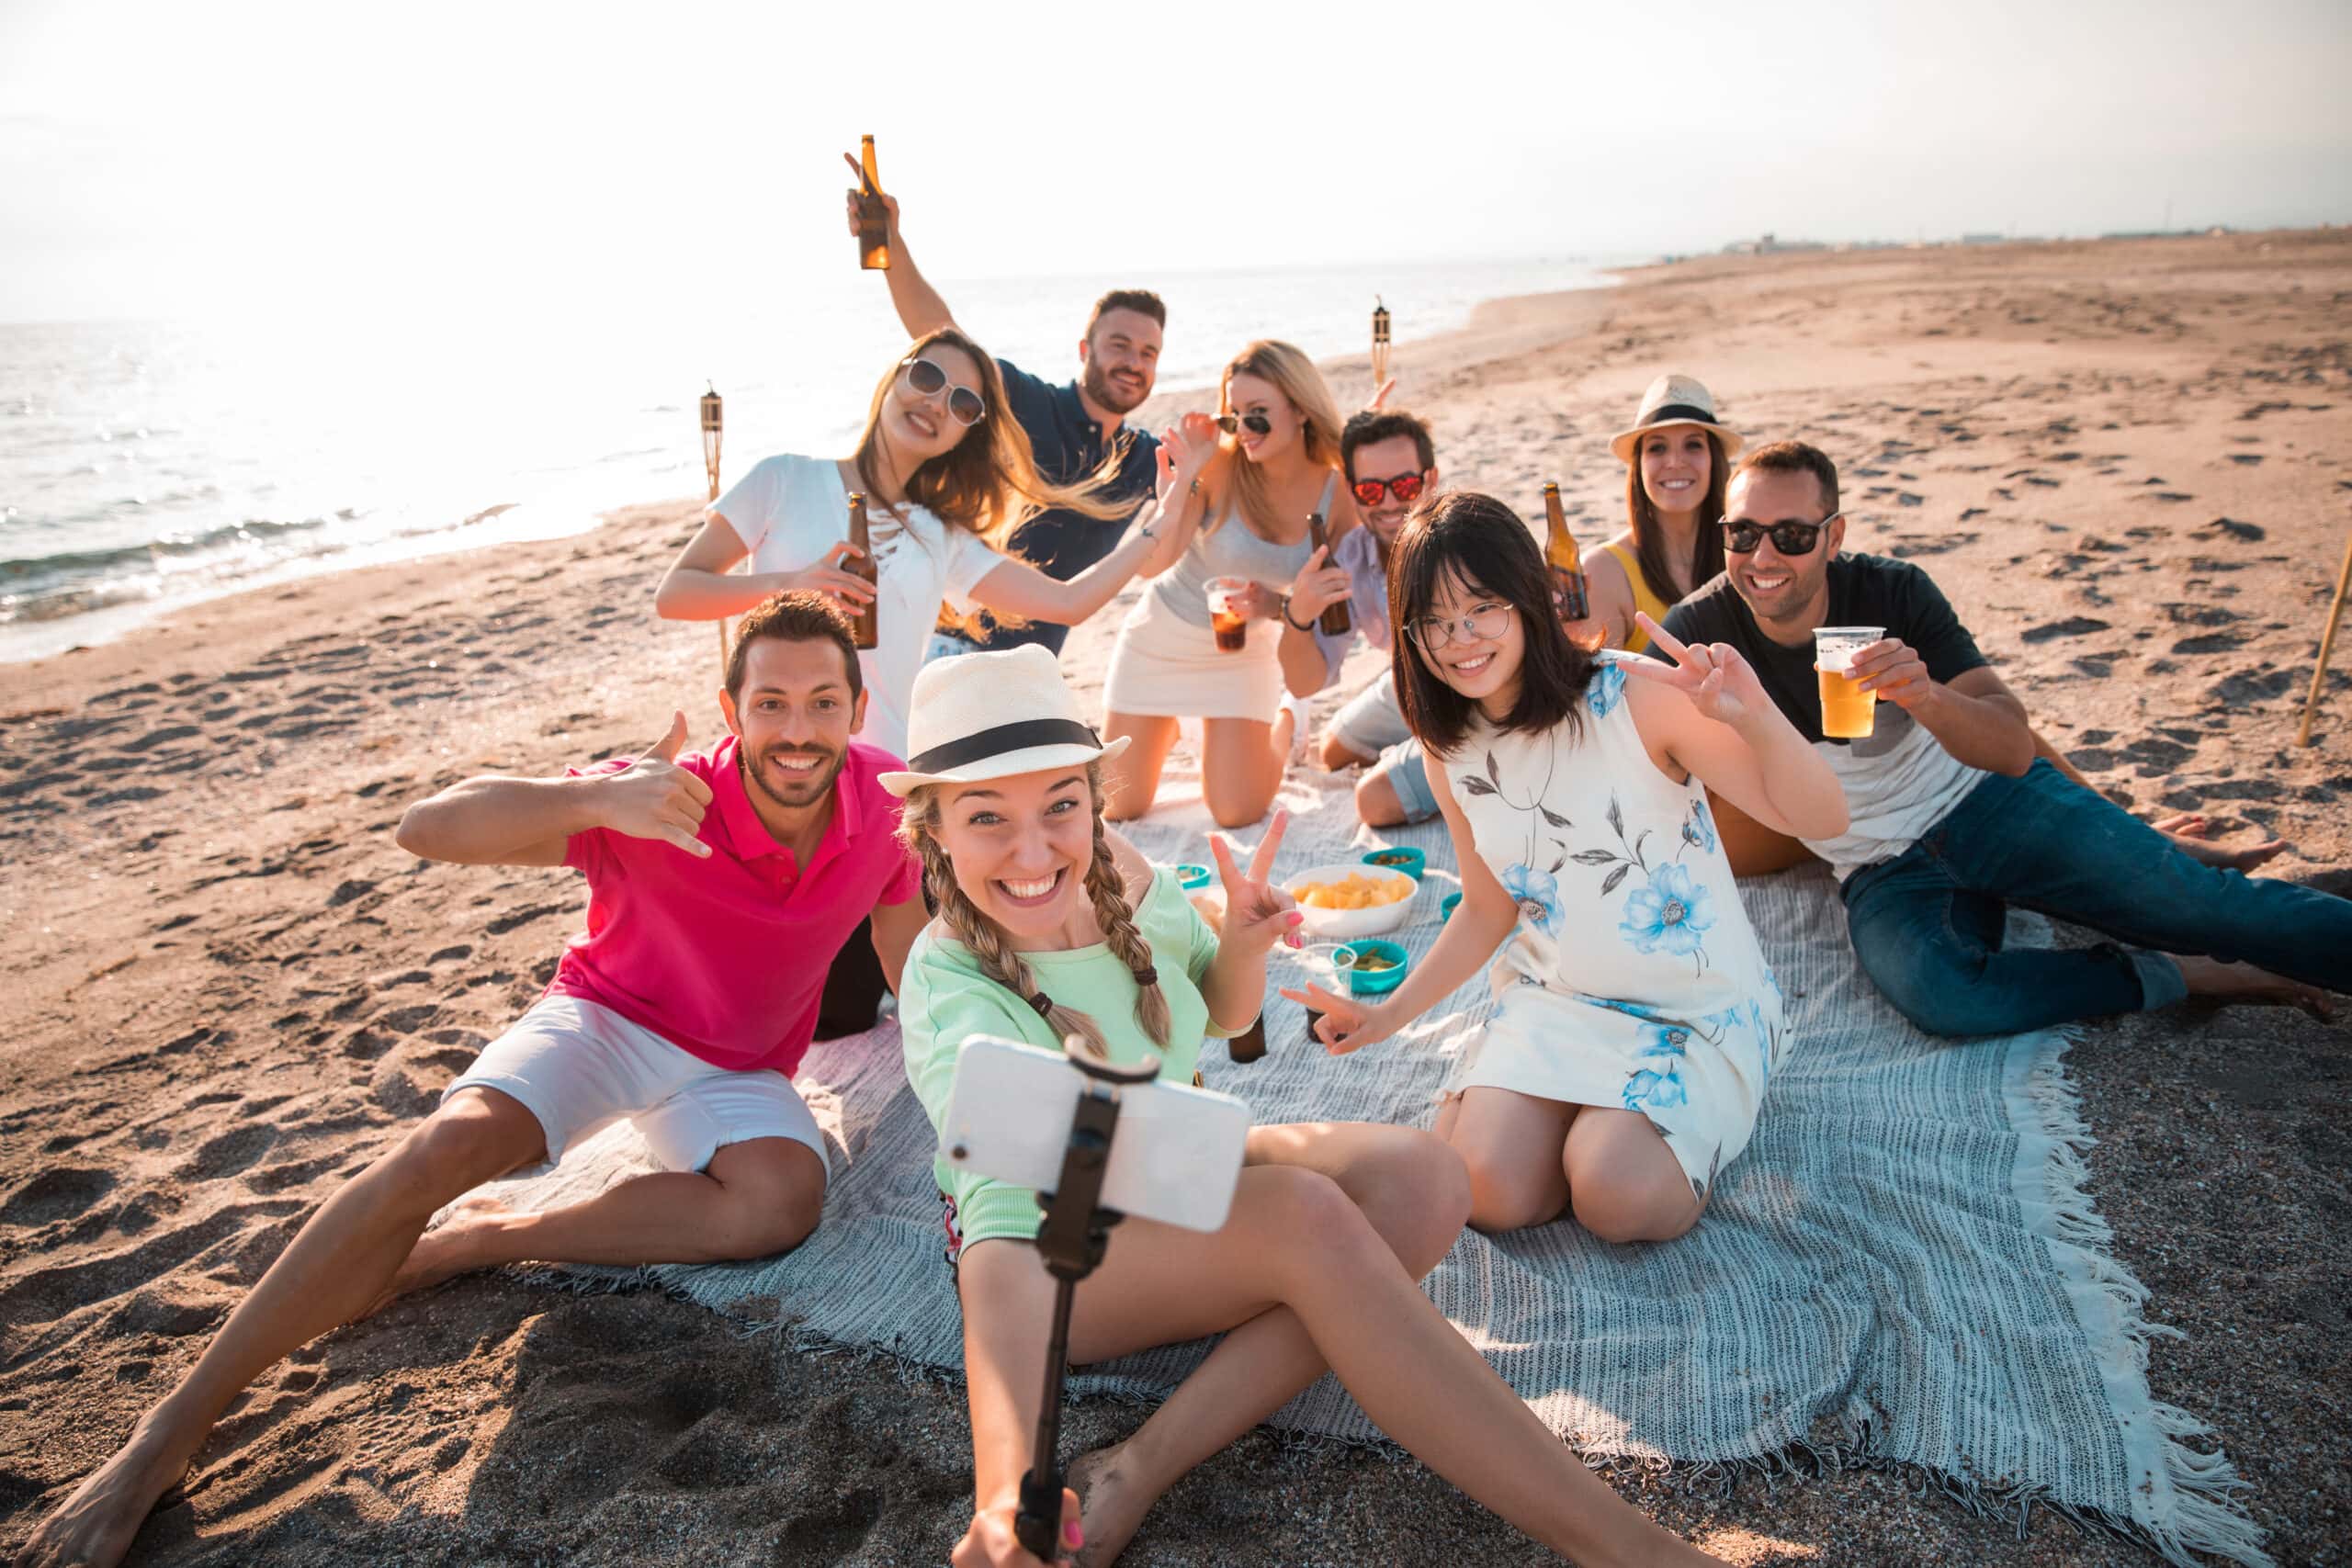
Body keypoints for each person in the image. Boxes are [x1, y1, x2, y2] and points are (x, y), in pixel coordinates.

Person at [15, 593, 933, 1568]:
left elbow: (909, 956)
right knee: (445, 1147)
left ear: (857, 707)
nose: (798, 730)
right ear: (731, 707)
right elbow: (425, 827)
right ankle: (168, 1433)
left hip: (737, 1066)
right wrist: (592, 794)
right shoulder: (660, 795)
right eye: (772, 704)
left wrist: (958, 1083)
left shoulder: (883, 804)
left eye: (823, 703)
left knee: (780, 1204)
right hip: (605, 1019)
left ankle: (492, 1237)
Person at [887, 645, 1728, 1568]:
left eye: (1059, 804)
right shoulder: (950, 984)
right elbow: (1001, 1251)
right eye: (985, 818)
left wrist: (1241, 940)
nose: (1033, 849)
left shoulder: (1115, 875)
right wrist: (1005, 1490)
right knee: (1307, 1221)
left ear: (1093, 797)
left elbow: (1222, 1012)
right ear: (931, 832)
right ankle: (1625, 1546)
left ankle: (1136, 1465)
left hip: (1170, 1167)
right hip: (1061, 1263)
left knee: (1425, 1178)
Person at [1288, 493, 1848, 1242]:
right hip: (1559, 998)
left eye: (1481, 608)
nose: (1461, 640)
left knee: (1616, 1193)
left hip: (1690, 1003)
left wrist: (1755, 715)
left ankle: (1647, 1116)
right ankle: (1573, 1116)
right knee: (1484, 1189)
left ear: (1527, 597)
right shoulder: (1448, 747)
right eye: (1435, 621)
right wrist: (1388, 1014)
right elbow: (1489, 908)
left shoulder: (1636, 695)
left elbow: (1825, 820)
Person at [1657, 439, 2346, 1034]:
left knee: (2204, 906)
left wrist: (1925, 694)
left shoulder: (1894, 593)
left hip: (1987, 803)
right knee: (1945, 996)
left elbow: (2012, 745)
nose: (1763, 555)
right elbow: (1627, 732)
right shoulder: (1697, 631)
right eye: (1742, 533)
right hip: (1878, 864)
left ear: (1833, 537)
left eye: (1793, 535)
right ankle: (2175, 975)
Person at [656, 330, 1197, 1032]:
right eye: (928, 377)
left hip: (878, 804)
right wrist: (795, 580)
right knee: (815, 1017)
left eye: (963, 401)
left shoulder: (935, 533)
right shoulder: (784, 479)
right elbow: (679, 590)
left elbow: (1068, 601)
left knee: (871, 1005)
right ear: (895, 378)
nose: (937, 401)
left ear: (965, 434)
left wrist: (1164, 512)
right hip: (778, 777)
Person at [853, 186, 1166, 660]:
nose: (1133, 362)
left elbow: (1155, 557)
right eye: (1119, 345)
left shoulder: (1142, 457)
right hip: (949, 651)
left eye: (1148, 353)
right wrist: (891, 244)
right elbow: (940, 335)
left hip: (1034, 671)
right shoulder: (1028, 402)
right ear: (1085, 350)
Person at [1100, 340, 1366, 828]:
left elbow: (1339, 598)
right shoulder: (1219, 466)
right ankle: (1172, 727)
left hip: (1242, 651)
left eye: (1258, 415)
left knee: (1236, 812)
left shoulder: (1337, 491)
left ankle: (1289, 721)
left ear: (1301, 410)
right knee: (1120, 805)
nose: (1243, 430)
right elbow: (1152, 564)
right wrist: (1180, 486)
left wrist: (1275, 604)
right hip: (1162, 638)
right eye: (1234, 415)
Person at [1314, 407, 1445, 827]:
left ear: (1431, 479)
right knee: (1330, 750)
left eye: (1404, 485)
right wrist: (1291, 612)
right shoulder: (1353, 554)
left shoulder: (1462, 539)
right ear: (1354, 493)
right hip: (1411, 682)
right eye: (1372, 491)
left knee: (1375, 802)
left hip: (1474, 695)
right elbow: (1314, 676)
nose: (1389, 503)